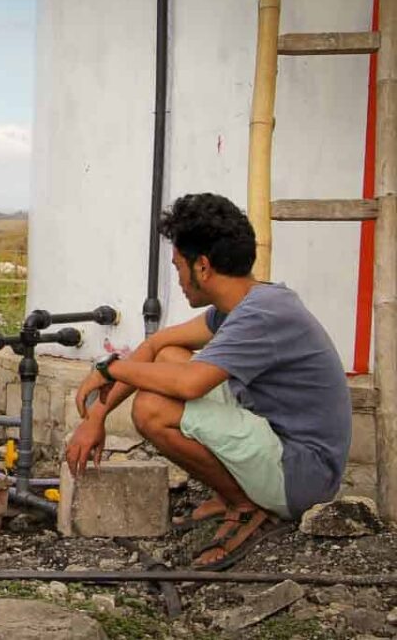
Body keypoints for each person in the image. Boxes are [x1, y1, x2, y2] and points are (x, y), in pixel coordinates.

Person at [65, 193, 351, 571]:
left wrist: (108, 369)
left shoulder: (263, 314)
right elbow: (157, 344)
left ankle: (245, 506)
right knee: (169, 357)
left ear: (202, 266)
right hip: (281, 442)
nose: (179, 279)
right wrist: (96, 417)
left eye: (178, 266)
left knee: (153, 408)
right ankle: (234, 493)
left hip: (302, 474)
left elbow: (189, 386)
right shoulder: (251, 302)